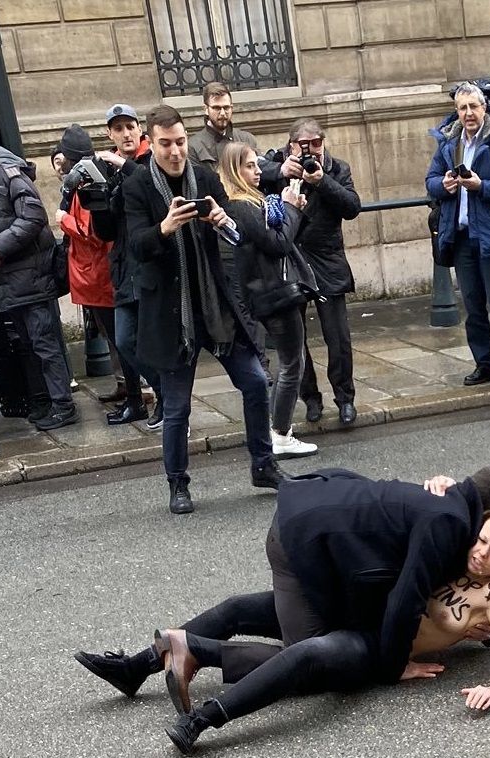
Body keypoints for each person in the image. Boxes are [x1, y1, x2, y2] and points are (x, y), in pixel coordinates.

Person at [71, 465, 490, 698]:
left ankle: (137, 667)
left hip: (318, 542)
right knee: (305, 656)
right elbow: (408, 594)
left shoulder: (455, 515)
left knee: (241, 609)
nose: (488, 546)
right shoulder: (449, 519)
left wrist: (480, 628)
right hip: (305, 546)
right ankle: (187, 651)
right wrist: (392, 667)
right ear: (486, 514)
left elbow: (485, 603)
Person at [162, 500, 490, 754]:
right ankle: (143, 663)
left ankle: (200, 718)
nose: (481, 553)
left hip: (373, 645)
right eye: (482, 540)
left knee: (305, 656)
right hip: (351, 607)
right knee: (242, 607)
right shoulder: (453, 547)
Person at [121, 104, 280, 514]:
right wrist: (164, 228)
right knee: (177, 407)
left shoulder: (205, 176)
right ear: (151, 142)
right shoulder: (138, 186)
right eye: (165, 144)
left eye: (180, 142)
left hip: (214, 306)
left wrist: (223, 219)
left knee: (255, 382)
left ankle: (263, 465)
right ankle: (178, 484)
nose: (175, 152)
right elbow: (134, 247)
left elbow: (237, 235)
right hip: (173, 315)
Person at [0, 108, 77, 429]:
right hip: (9, 278)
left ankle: (64, 406)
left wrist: (0, 246)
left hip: (29, 272)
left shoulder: (5, 168)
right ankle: (49, 402)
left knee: (45, 343)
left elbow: (33, 215)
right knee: (32, 344)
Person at [216, 141, 318, 460]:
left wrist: (293, 209)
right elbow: (278, 244)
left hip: (272, 291)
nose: (258, 171)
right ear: (234, 170)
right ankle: (280, 433)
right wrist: (289, 208)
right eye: (249, 166)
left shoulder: (250, 202)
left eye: (257, 165)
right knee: (292, 364)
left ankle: (277, 430)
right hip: (273, 294)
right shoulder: (241, 206)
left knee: (291, 362)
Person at [426, 82, 490, 388]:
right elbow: (429, 181)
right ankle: (483, 362)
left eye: (474, 106)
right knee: (473, 306)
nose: (469, 113)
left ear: (485, 108)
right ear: (456, 111)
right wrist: (442, 185)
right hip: (461, 238)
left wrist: (481, 186)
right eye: (463, 107)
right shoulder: (449, 144)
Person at [281, 118, 362, 426]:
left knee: (337, 337)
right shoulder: (279, 164)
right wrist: (282, 171)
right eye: (305, 145)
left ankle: (345, 399)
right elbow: (254, 178)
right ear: (291, 146)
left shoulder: (337, 168)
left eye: (317, 143)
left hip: (327, 259)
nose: (311, 150)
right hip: (292, 259)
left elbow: (352, 206)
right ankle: (310, 398)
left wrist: (321, 181)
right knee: (295, 338)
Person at [89, 103, 161, 427]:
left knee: (151, 340)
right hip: (123, 269)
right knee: (125, 340)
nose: (125, 133)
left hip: (149, 265)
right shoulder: (108, 169)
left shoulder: (150, 161)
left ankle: (168, 401)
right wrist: (96, 199)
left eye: (130, 126)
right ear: (110, 134)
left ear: (140, 129)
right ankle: (166, 395)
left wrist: (122, 166)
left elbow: (154, 193)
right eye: (118, 129)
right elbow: (105, 231)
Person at [55, 124, 126, 412]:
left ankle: (135, 387)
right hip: (93, 273)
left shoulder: (87, 187)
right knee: (111, 333)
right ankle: (125, 385)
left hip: (97, 273)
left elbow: (92, 232)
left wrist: (63, 220)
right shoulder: (83, 182)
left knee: (116, 334)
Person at [187, 80, 261, 169]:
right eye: (216, 108)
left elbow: (260, 172)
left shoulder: (247, 140)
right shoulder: (193, 147)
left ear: (231, 107)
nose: (222, 113)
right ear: (206, 109)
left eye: (226, 107)